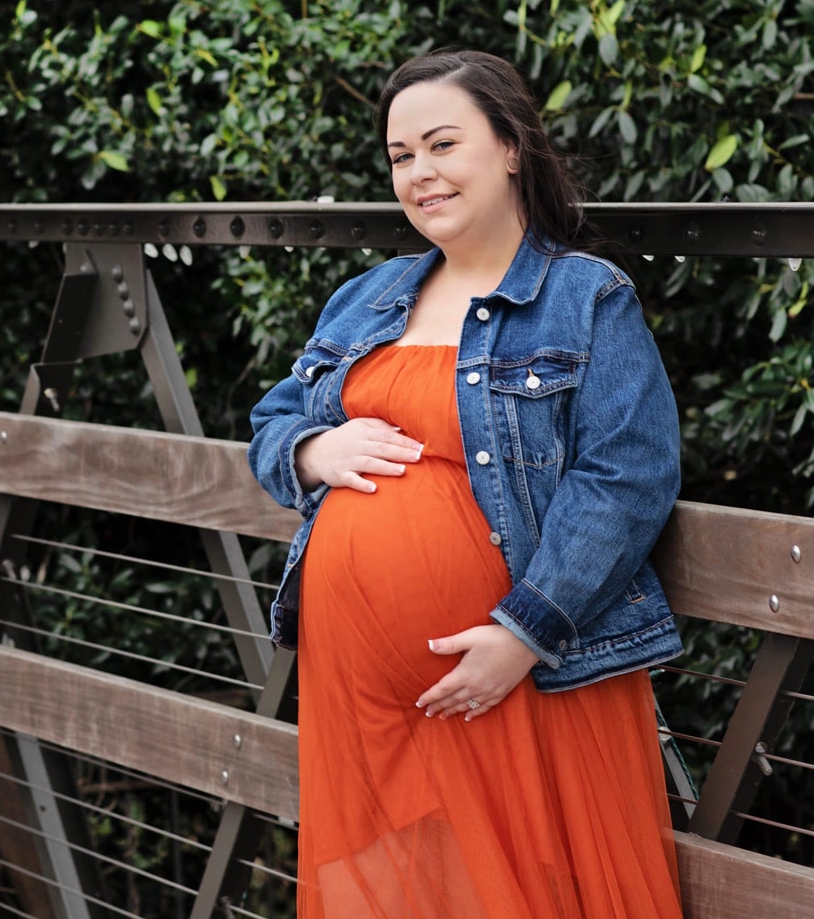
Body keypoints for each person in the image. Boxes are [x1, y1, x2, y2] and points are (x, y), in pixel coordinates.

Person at [248, 50, 685, 917]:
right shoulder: (369, 298)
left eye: (442, 144)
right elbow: (272, 421)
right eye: (401, 156)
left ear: (512, 147)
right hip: (363, 692)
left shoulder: (582, 296)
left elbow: (627, 475)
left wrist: (525, 633)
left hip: (514, 672)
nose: (420, 174)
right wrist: (310, 452)